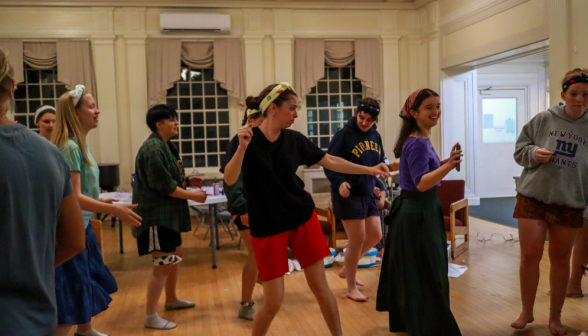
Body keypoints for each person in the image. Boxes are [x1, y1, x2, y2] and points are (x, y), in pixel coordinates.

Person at [223, 82, 389, 336]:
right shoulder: (245, 140)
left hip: (301, 217)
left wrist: (370, 169)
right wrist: (243, 147)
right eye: (292, 108)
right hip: (267, 225)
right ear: (274, 108)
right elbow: (230, 179)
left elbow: (330, 160)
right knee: (274, 300)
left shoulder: (294, 140)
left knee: (321, 289)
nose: (296, 114)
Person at [0, 48, 85, 336]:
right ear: (12, 88)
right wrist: (28, 269)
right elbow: (74, 241)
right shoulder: (49, 154)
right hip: (35, 316)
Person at [52, 84, 143, 336]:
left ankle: (86, 330)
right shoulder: (69, 147)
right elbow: (75, 197)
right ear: (75, 113)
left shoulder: (79, 145)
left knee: (86, 281)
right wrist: (113, 211)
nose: (97, 111)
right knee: (72, 292)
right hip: (71, 229)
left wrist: (103, 200)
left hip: (83, 225)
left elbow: (81, 191)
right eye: (91, 107)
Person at [376, 88, 462, 336]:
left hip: (421, 209)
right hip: (417, 212)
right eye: (429, 108)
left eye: (438, 106)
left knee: (423, 270)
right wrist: (449, 167)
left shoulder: (420, 140)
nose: (436, 112)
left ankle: (418, 322)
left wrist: (447, 161)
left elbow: (423, 174)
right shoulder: (416, 143)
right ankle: (426, 324)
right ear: (413, 113)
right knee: (426, 271)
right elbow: (422, 182)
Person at [510, 68, 588, 336]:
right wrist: (534, 152)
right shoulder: (544, 119)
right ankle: (526, 311)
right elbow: (519, 151)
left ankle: (555, 318)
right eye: (574, 93)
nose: (579, 99)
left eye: (585, 95)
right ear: (563, 94)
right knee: (530, 256)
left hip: (571, 202)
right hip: (534, 196)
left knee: (560, 259)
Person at [131, 104, 207, 330]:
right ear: (159, 124)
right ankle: (150, 315)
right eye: (172, 120)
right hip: (156, 217)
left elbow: (171, 179)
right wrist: (193, 195)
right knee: (163, 263)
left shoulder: (165, 146)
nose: (176, 123)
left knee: (175, 255)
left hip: (167, 216)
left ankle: (171, 299)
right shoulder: (153, 149)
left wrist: (187, 183)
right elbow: (163, 186)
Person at [325, 97, 385, 302]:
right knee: (357, 239)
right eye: (361, 117)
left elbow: (378, 164)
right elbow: (329, 163)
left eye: (369, 119)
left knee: (376, 235)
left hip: (368, 192)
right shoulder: (343, 134)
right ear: (356, 113)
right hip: (347, 193)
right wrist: (339, 182)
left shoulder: (375, 135)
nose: (364, 122)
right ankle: (350, 287)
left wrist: (379, 184)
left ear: (375, 120)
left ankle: (347, 269)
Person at [219, 107, 264, 321]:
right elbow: (231, 178)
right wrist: (242, 206)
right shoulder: (239, 141)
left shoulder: (265, 140)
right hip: (246, 208)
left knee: (261, 254)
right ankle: (246, 304)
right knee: (255, 255)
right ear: (251, 119)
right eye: (260, 119)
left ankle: (261, 277)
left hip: (263, 208)